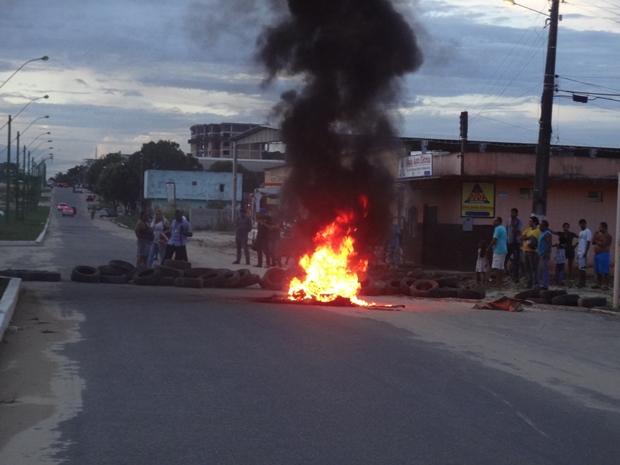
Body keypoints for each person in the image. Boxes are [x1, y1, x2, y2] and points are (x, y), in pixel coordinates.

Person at [521, 215, 541, 288]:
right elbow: (522, 237)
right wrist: (528, 237)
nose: (529, 222)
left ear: (534, 222)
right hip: (526, 250)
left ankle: (535, 283)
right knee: (527, 268)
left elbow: (534, 239)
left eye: (530, 221)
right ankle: (529, 283)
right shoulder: (528, 229)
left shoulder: (538, 230)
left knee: (534, 268)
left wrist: (527, 238)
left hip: (533, 252)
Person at [592, 222, 612, 290]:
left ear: (604, 228)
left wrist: (597, 240)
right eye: (599, 227)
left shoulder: (608, 236)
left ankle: (605, 284)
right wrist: (596, 237)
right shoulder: (597, 234)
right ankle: (598, 284)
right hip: (597, 254)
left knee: (604, 271)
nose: (599, 228)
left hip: (604, 254)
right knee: (597, 271)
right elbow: (593, 242)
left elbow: (603, 244)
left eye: (600, 227)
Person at [488, 217, 508, 287]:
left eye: (495, 221)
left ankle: (497, 283)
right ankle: (500, 283)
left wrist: (488, 248)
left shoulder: (497, 228)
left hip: (498, 250)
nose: (493, 222)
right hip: (503, 250)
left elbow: (494, 240)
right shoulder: (503, 228)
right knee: (501, 267)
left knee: (496, 267)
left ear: (499, 221)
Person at [505, 208, 523, 282]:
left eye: (514, 213)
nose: (512, 214)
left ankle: (516, 277)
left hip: (516, 243)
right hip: (509, 243)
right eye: (511, 212)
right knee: (505, 259)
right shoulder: (508, 220)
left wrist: (514, 227)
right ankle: (508, 273)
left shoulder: (519, 221)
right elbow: (506, 230)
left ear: (516, 213)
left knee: (516, 260)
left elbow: (519, 231)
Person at [536, 220, 552, 290]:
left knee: (544, 270)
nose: (539, 227)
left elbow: (549, 244)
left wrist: (546, 253)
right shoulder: (541, 233)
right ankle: (541, 284)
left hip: (544, 254)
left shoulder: (547, 233)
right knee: (540, 270)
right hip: (540, 253)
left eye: (541, 225)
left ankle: (545, 285)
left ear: (545, 226)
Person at [576, 219, 592, 288]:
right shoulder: (580, 232)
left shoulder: (588, 231)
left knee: (582, 268)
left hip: (584, 252)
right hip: (579, 252)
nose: (581, 225)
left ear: (585, 223)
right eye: (580, 224)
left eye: (582, 224)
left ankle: (582, 283)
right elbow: (579, 242)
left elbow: (588, 242)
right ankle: (581, 282)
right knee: (580, 268)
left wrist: (585, 252)